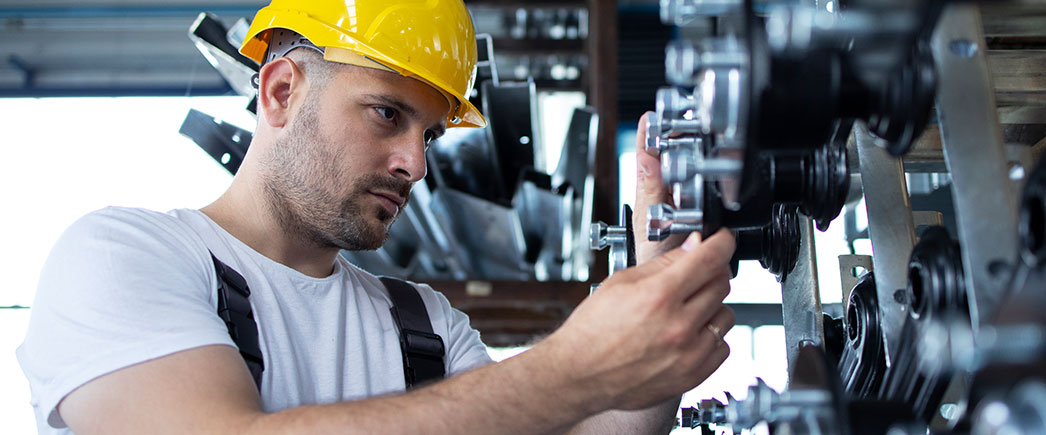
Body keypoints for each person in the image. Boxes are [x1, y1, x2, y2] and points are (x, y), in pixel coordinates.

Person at [17, 0, 736, 433]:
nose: (415, 165)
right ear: (280, 91)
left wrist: (659, 299)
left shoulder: (422, 325)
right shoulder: (122, 257)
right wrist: (573, 364)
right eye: (387, 114)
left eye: (428, 134)